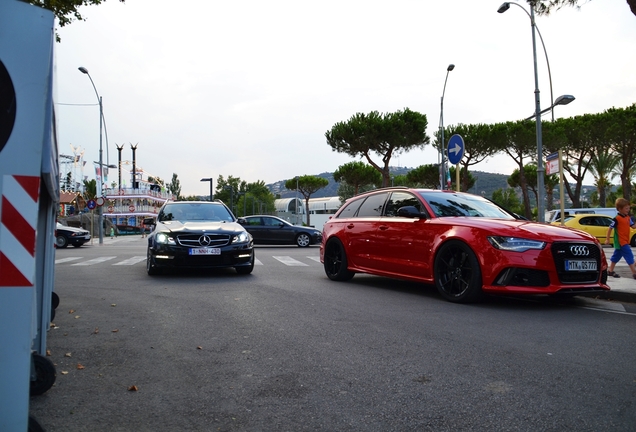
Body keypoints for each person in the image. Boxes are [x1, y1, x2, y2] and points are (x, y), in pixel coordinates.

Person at [604, 198, 636, 279]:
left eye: (628, 208)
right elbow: (610, 228)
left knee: (616, 256)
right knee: (629, 256)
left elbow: (633, 226)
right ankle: (634, 273)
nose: (628, 210)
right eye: (626, 208)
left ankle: (610, 271)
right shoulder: (617, 218)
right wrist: (607, 239)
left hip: (625, 241)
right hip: (621, 241)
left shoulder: (627, 217)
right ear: (619, 209)